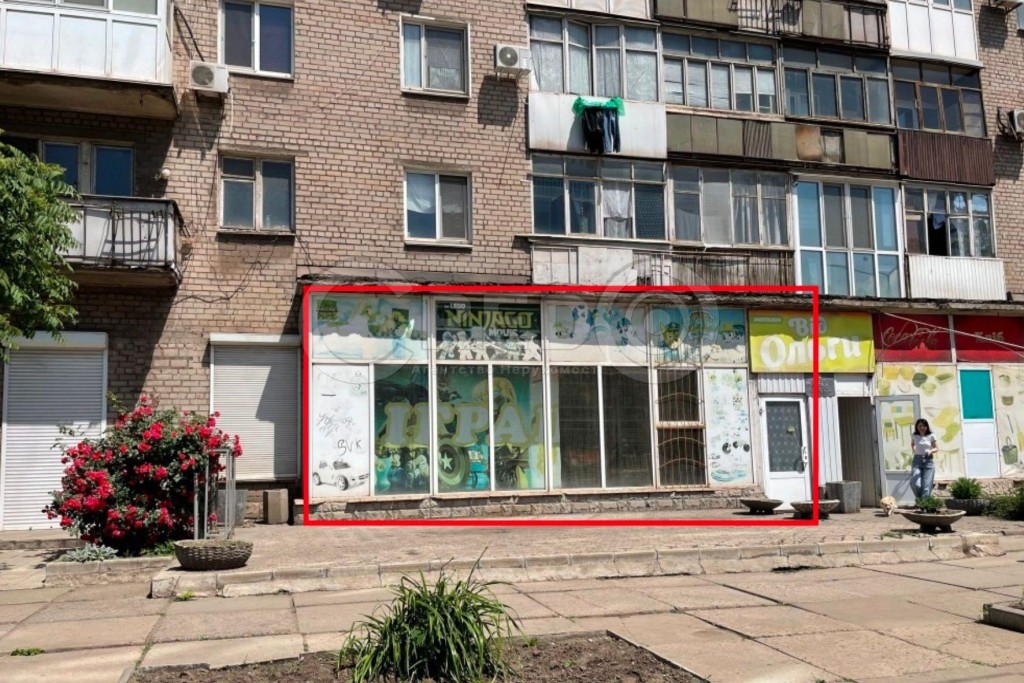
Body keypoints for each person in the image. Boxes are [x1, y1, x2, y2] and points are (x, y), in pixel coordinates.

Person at [910, 418, 939, 500]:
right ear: (917, 427)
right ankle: (920, 499)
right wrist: (914, 450)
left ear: (927, 427)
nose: (922, 428)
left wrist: (930, 451)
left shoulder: (931, 435)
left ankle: (923, 503)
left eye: (924, 426)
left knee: (926, 486)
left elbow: (936, 448)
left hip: (928, 461)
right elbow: (912, 444)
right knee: (916, 484)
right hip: (917, 461)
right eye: (920, 426)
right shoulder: (914, 435)